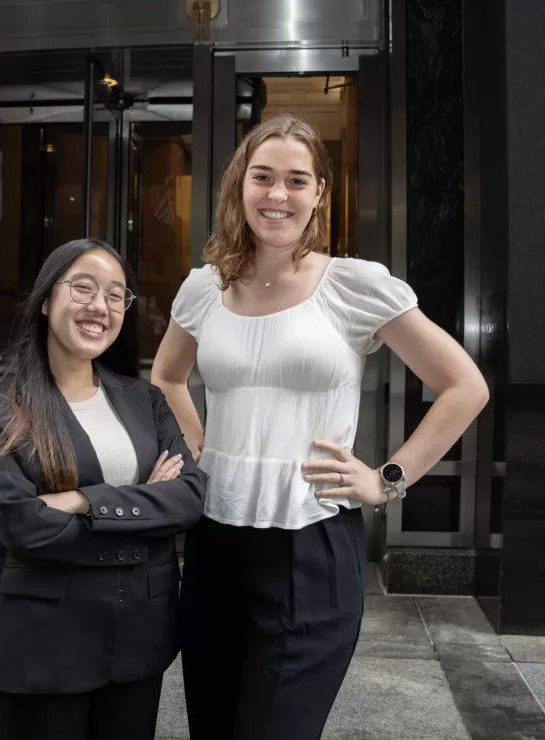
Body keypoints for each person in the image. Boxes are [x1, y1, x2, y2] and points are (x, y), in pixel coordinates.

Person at [151, 114, 489, 740]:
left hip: (312, 544)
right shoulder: (204, 286)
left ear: (319, 194)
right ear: (239, 186)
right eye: (263, 177)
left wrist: (388, 478)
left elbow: (465, 386)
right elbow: (167, 378)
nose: (277, 194)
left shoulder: (354, 285)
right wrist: (200, 449)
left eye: (296, 180)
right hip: (215, 541)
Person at [0, 238, 206, 740]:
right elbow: (21, 525)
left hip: (138, 636)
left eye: (116, 295)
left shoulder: (146, 399)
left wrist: (82, 501)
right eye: (83, 287)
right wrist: (145, 508)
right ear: (46, 298)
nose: (100, 305)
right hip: (44, 638)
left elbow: (188, 496)